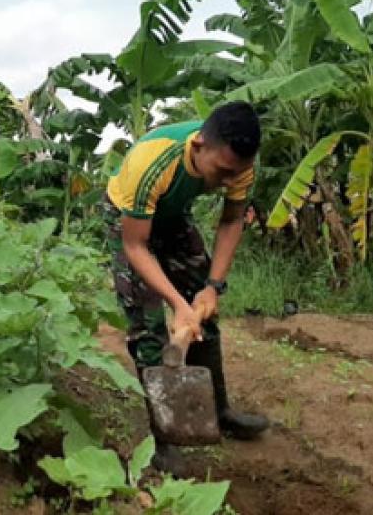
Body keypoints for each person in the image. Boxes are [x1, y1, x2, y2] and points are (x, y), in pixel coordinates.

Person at [102, 101, 269, 471]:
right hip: (127, 220)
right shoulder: (152, 163)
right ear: (198, 147)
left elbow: (231, 222)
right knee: (147, 327)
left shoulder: (238, 163)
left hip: (173, 216)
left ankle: (219, 410)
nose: (229, 181)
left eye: (236, 173)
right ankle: (164, 438)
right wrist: (178, 303)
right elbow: (135, 244)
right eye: (223, 171)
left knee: (204, 316)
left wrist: (211, 287)